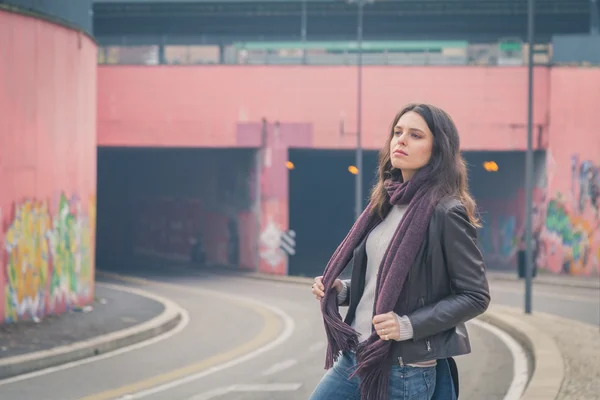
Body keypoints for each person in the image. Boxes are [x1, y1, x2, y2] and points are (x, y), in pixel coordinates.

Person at [309, 103, 490, 400]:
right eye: (397, 132)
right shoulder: (384, 204)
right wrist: (341, 290)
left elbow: (475, 296)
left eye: (415, 135)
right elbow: (384, 282)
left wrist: (407, 325)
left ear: (438, 150)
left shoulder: (446, 212)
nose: (401, 140)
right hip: (357, 356)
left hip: (403, 370)